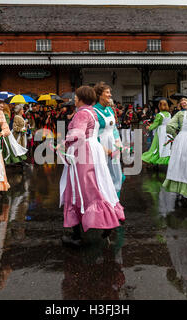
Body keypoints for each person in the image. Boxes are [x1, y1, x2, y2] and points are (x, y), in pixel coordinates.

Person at [59, 86, 125, 247]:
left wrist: (63, 144)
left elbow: (78, 134)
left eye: (76, 97)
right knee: (98, 186)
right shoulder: (92, 112)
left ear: (81, 98)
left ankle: (77, 236)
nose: (74, 99)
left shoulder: (82, 113)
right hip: (94, 150)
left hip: (82, 151)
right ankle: (109, 219)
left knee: (76, 189)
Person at [93, 82, 124, 197]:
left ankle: (114, 199)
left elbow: (114, 129)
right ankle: (104, 200)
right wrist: (104, 149)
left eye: (110, 92)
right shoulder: (94, 111)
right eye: (107, 92)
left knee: (116, 172)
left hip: (113, 145)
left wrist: (118, 143)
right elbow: (93, 134)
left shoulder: (110, 110)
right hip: (101, 146)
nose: (110, 95)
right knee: (102, 173)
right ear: (99, 95)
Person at [142, 99, 172, 165]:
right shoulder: (169, 114)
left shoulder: (159, 115)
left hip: (161, 131)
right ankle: (165, 159)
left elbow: (155, 124)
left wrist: (149, 127)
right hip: (168, 131)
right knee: (166, 146)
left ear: (159, 106)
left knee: (157, 145)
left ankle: (155, 159)